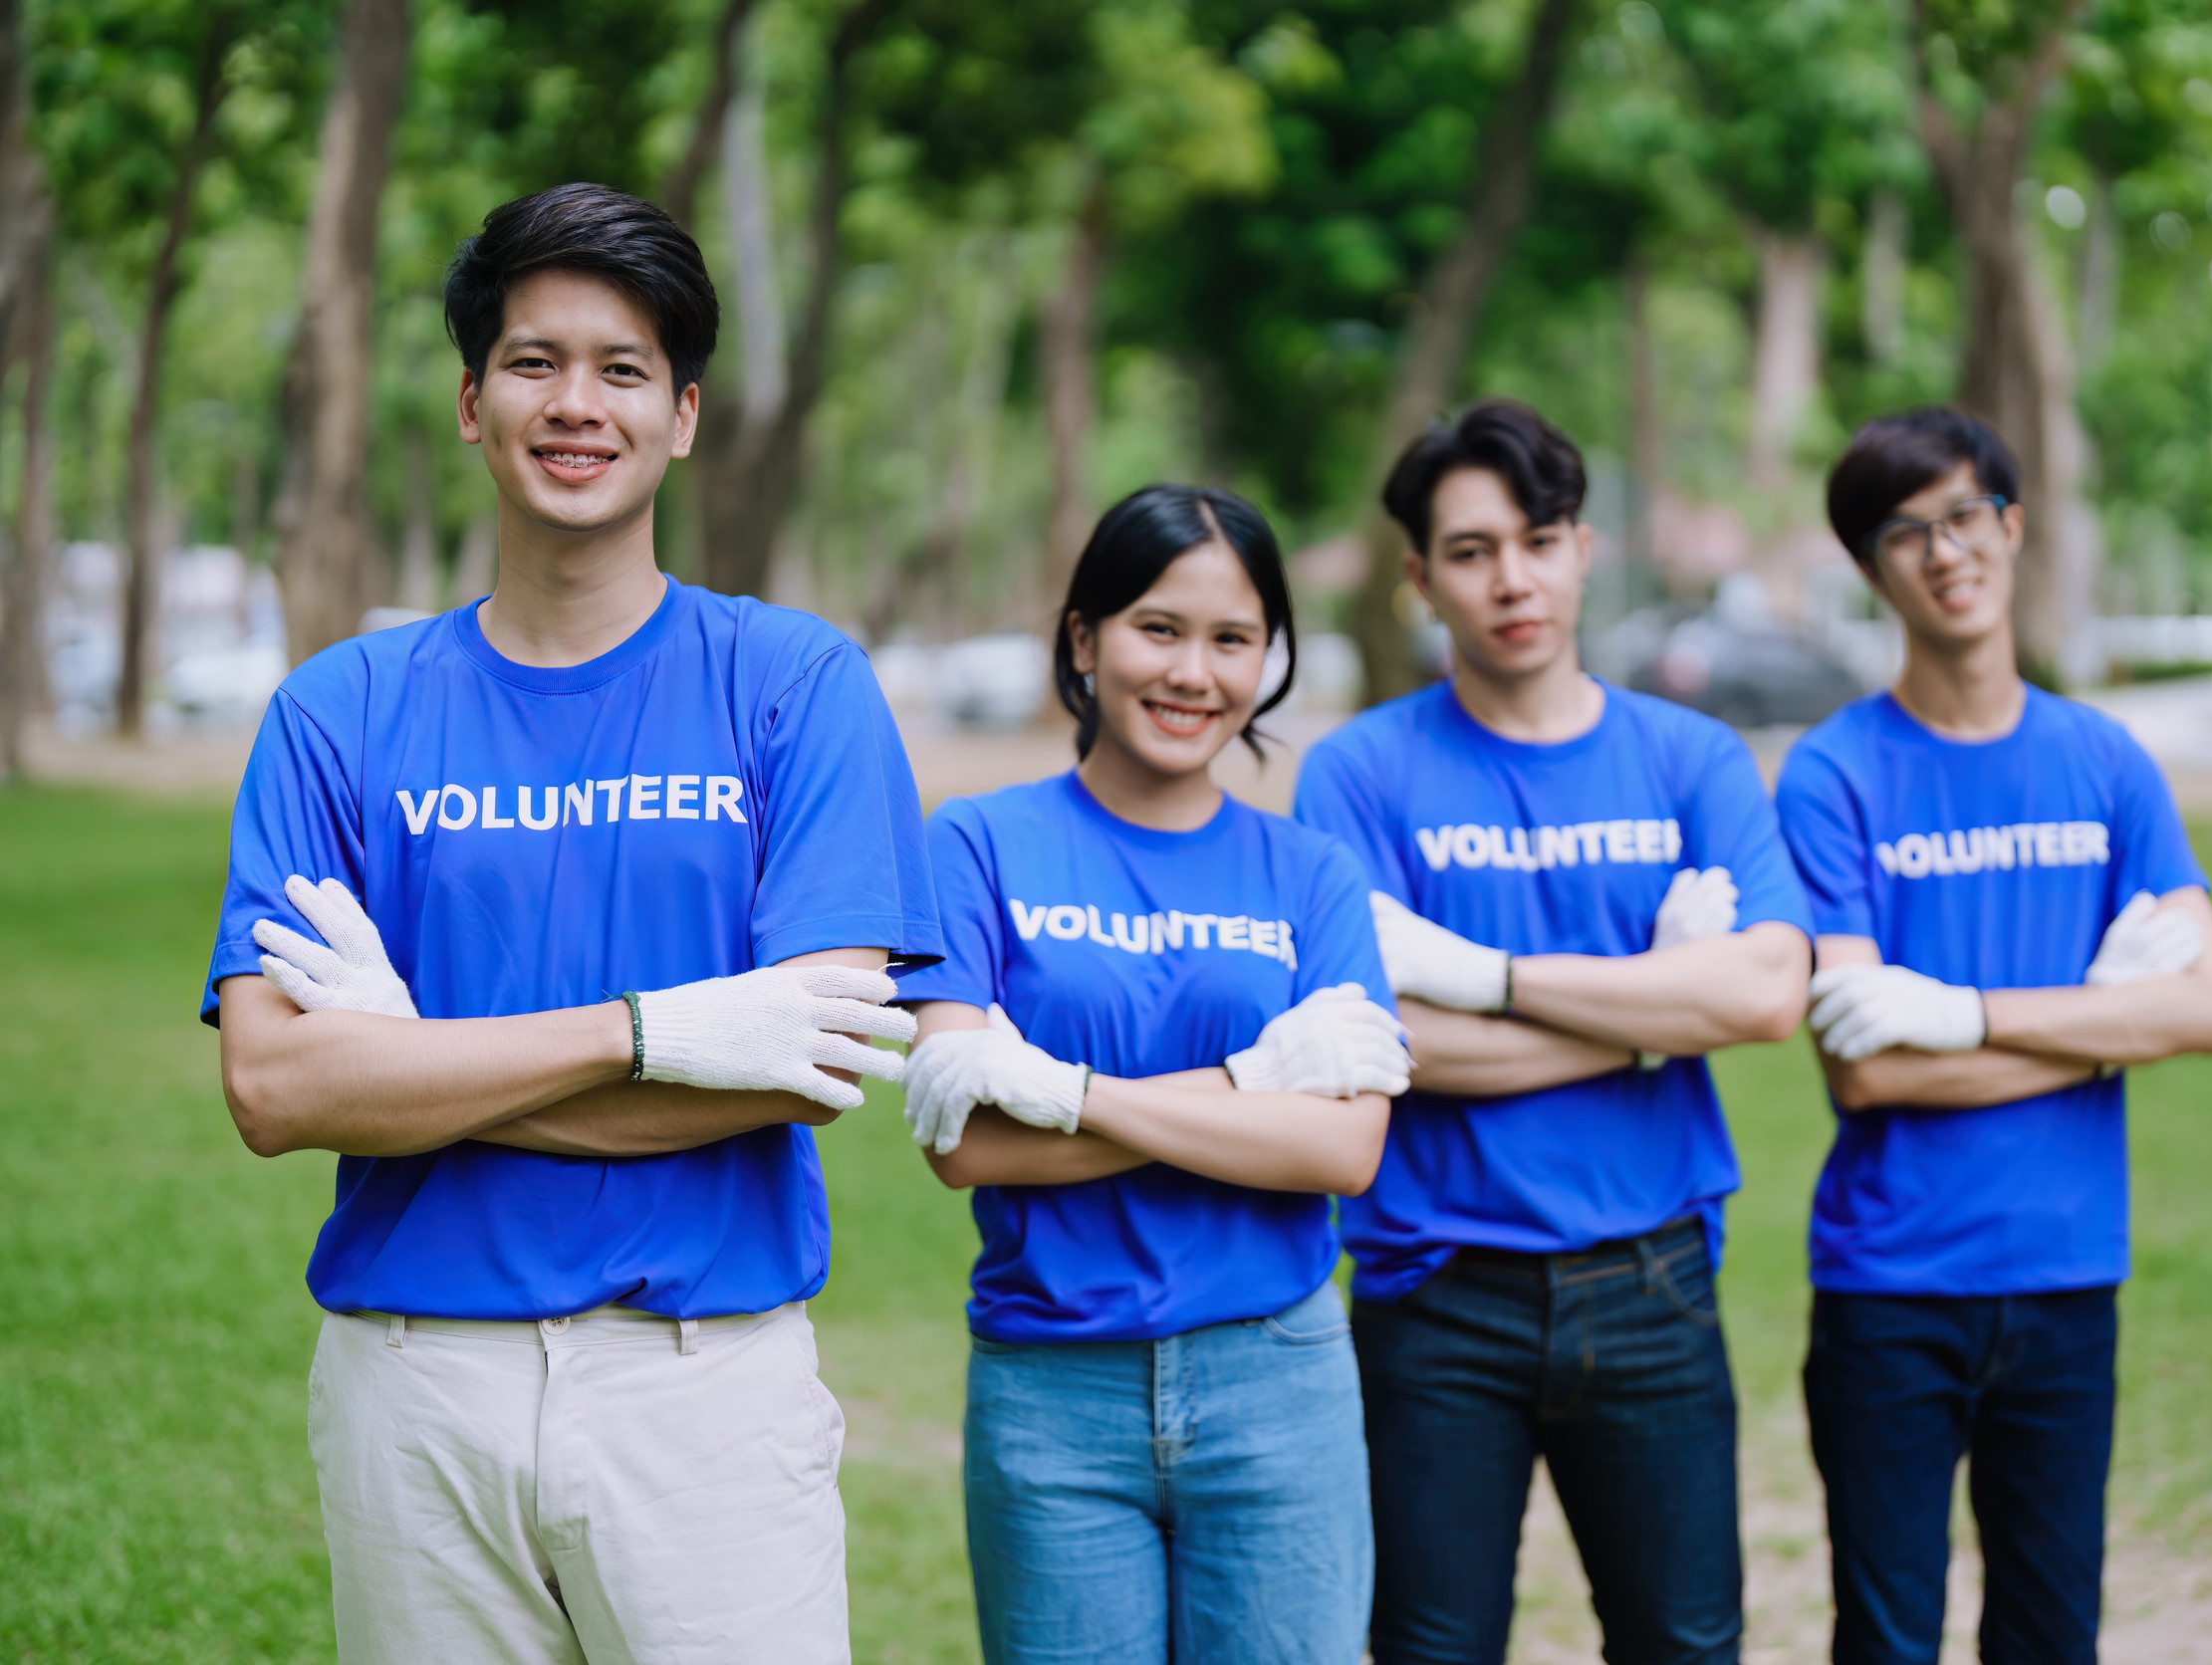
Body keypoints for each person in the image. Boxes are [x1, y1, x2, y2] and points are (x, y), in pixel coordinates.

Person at [205, 183, 940, 1665]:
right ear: (473, 404)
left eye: (622, 369)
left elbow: (804, 1063)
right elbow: (279, 1091)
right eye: (535, 363)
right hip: (415, 1386)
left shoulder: (794, 687)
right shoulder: (339, 712)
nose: (575, 403)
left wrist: (417, 1070)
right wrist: (660, 1036)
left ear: (681, 415)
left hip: (703, 1389)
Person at [1293, 398, 1814, 1665]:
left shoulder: (1692, 758)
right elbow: (1382, 1045)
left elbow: (1762, 997)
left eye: (1538, 539)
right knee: (1430, 1647)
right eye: (1471, 551)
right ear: (1420, 578)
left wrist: (1485, 976)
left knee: (1685, 1643)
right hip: (1434, 1293)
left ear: (1584, 548)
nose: (1511, 578)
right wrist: (1651, 1005)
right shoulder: (1356, 773)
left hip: (1652, 1279)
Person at [898, 484, 1409, 1665]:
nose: (1194, 672)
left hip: (1276, 1383)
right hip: (1052, 1394)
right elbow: (963, 1141)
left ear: (1268, 658)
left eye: (1233, 639)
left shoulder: (1311, 873)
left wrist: (1060, 1090)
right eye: (1157, 628)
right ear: (1083, 639)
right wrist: (1257, 1078)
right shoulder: (975, 842)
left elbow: (1344, 1147)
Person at [1778, 406, 2212, 1665]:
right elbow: (1866, 1067)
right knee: (1887, 1636)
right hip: (1891, 1284)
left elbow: (2207, 1006)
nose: (1945, 551)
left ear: (2013, 525)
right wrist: (2102, 1021)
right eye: (1905, 531)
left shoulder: (2105, 762)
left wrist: (1963, 1014)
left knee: (2051, 1632)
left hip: (2064, 1274)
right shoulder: (1831, 777)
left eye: (1966, 515)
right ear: (1874, 568)